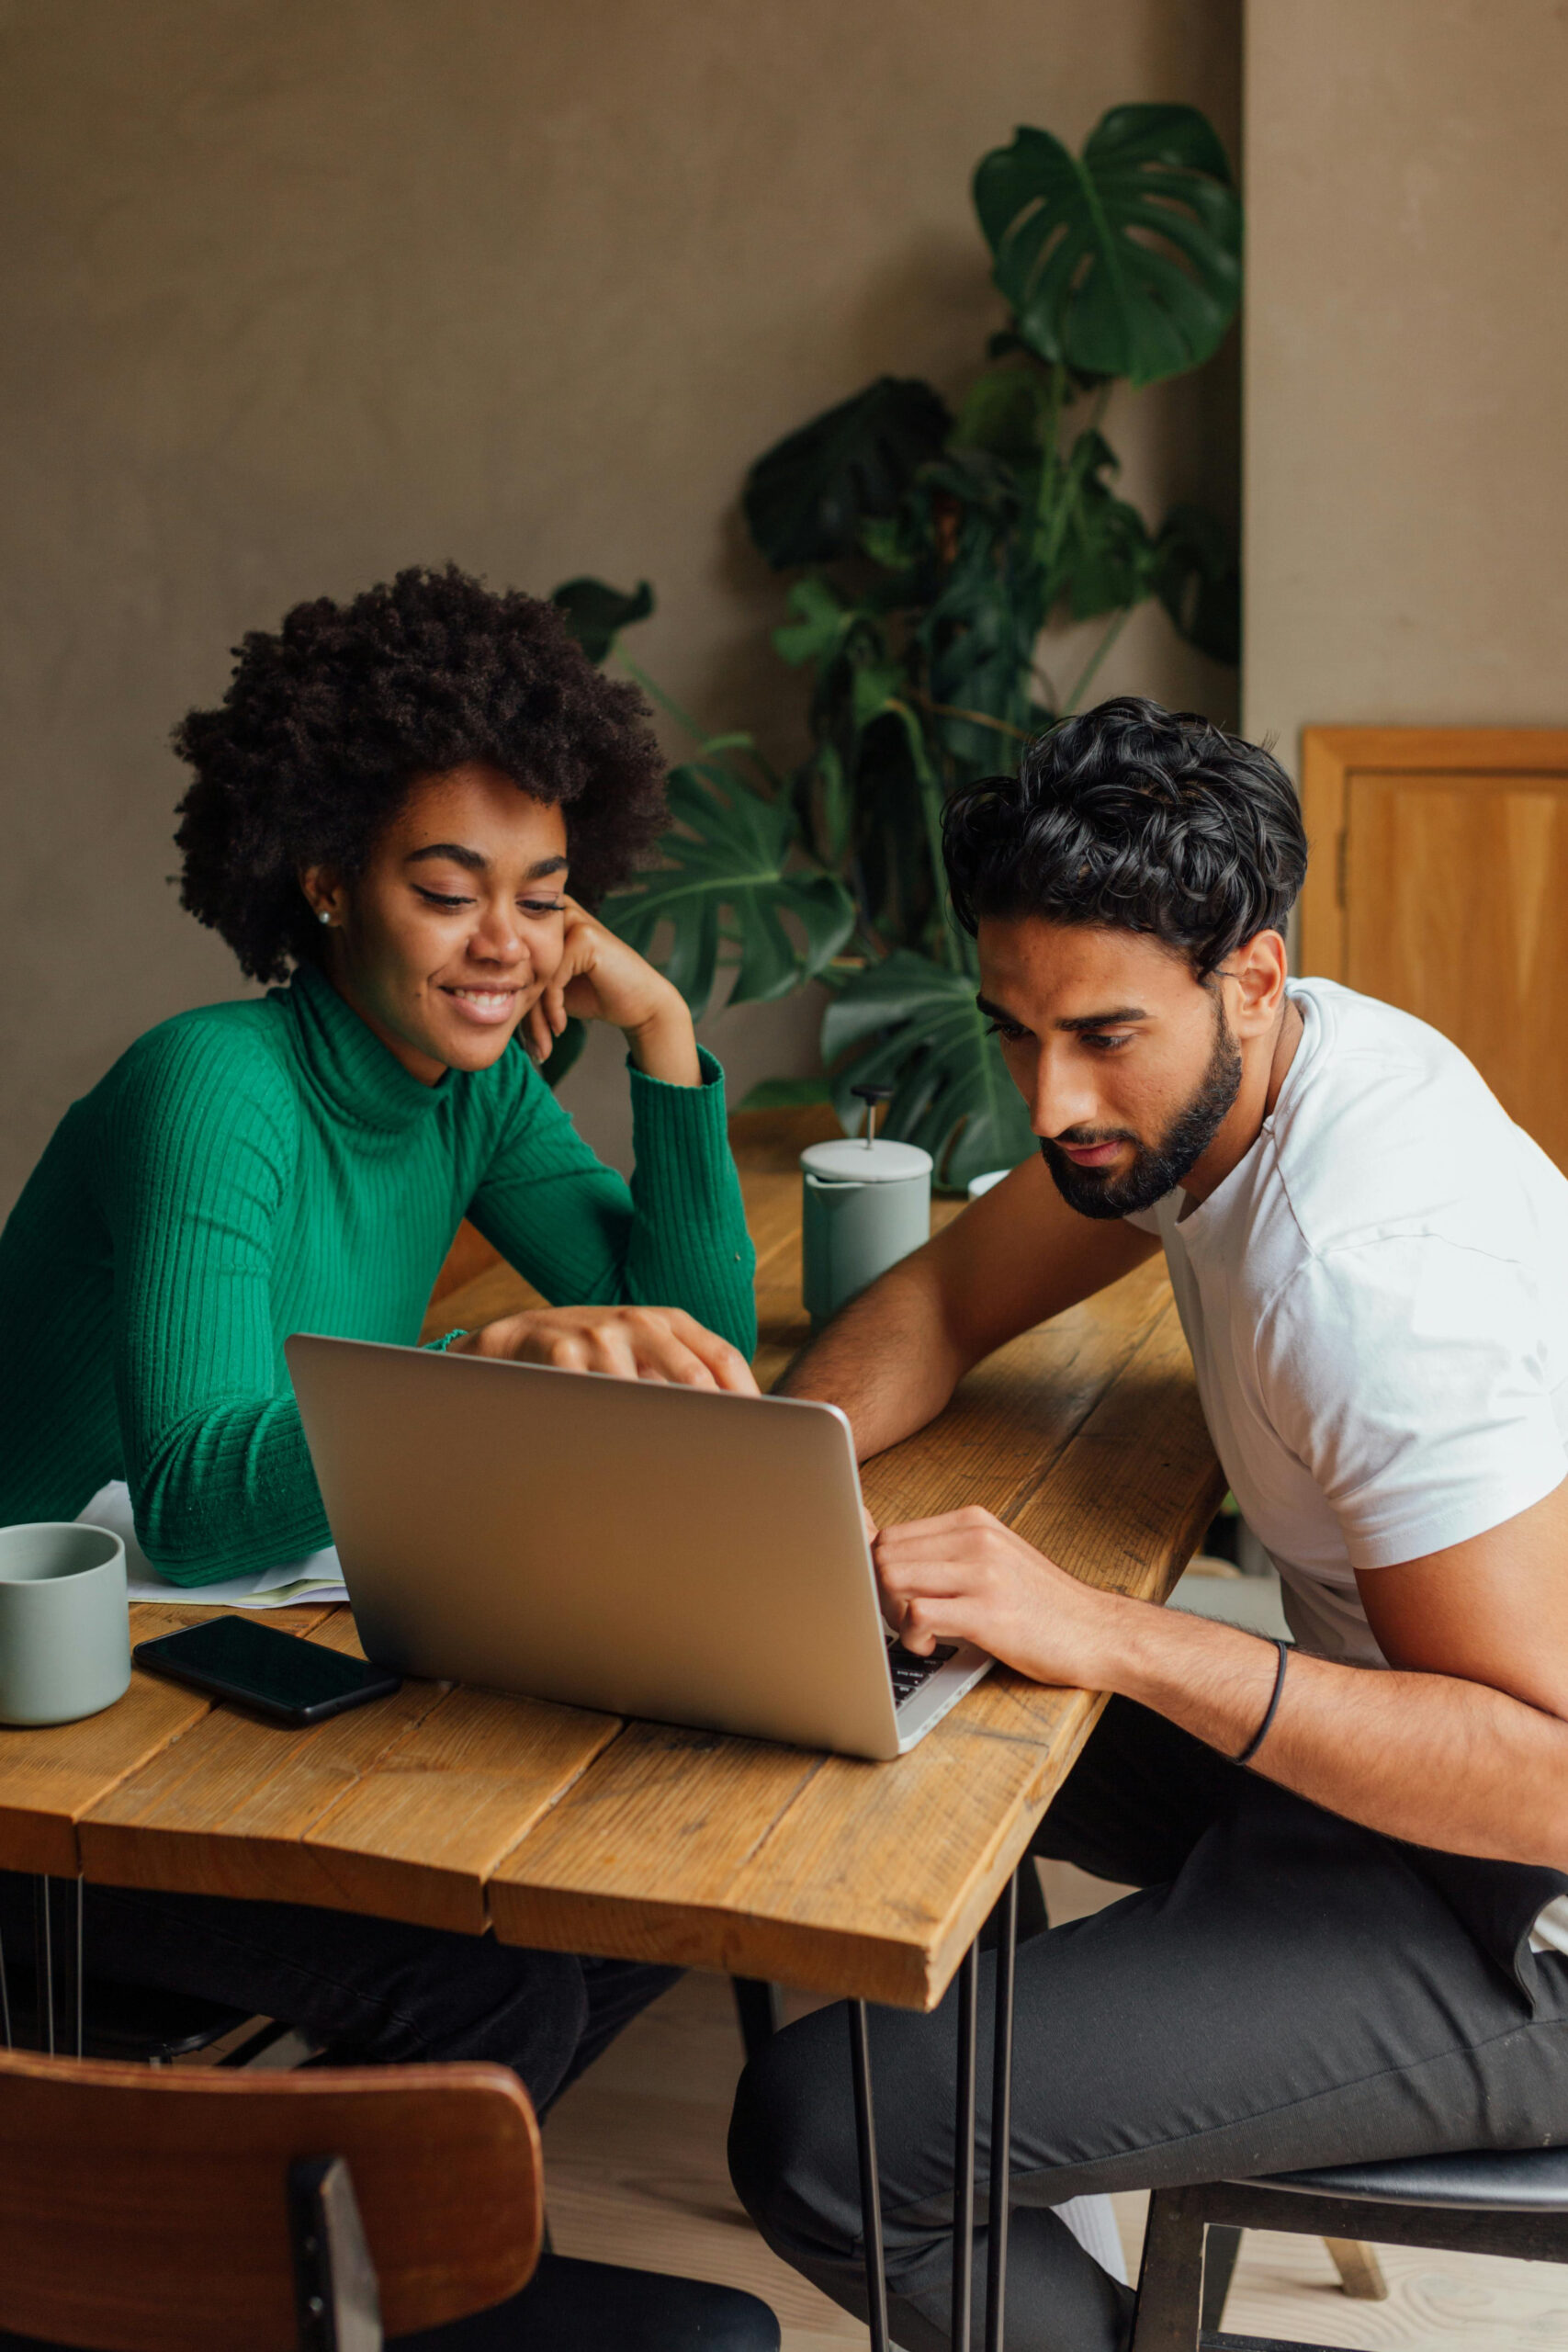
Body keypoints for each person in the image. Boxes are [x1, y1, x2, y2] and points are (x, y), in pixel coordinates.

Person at [728, 696, 1568, 2352]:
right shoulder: (1242, 1072)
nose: (1048, 1103)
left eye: (1102, 1036)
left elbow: (1544, 1770)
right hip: (1414, 1804)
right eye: (1015, 1031)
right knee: (908, 1664)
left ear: (1249, 975)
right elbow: (954, 1289)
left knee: (822, 2140)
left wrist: (1112, 1633)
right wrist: (774, 1489)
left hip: (1526, 1922)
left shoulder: (1370, 1273)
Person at [0, 561, 758, 2112]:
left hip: (199, 1673)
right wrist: (479, 1375)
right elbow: (203, 1498)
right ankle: (274, 2267)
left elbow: (703, 1353)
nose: (506, 944)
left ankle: (322, 2247)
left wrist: (663, 1033)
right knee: (494, 1982)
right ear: (331, 879)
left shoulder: (463, 1084)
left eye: (541, 896)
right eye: (448, 887)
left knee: (639, 1894)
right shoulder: (215, 1086)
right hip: (46, 1745)